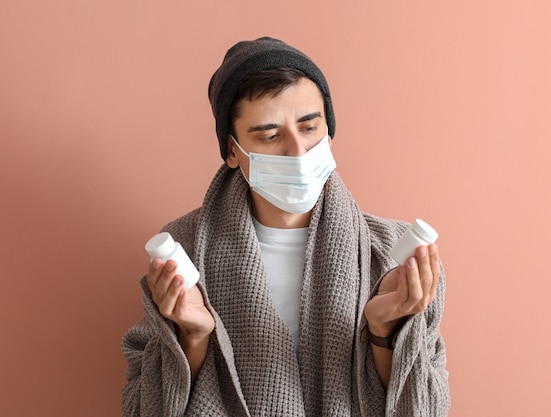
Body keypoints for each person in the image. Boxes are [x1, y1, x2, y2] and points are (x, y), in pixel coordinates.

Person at [122, 37, 450, 416]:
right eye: (271, 135)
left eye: (309, 128)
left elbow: (428, 409)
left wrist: (383, 333)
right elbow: (141, 408)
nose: (298, 151)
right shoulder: (185, 252)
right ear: (232, 150)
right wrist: (192, 337)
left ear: (329, 132)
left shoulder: (392, 255)